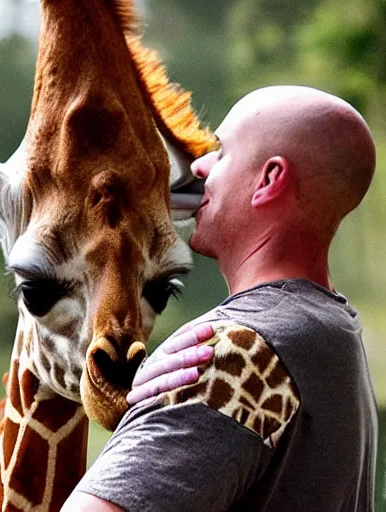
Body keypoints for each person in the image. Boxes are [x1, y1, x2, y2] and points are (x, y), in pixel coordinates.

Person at [62, 85, 378, 511]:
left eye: (222, 152)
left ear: (268, 180)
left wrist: (211, 365)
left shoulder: (236, 353)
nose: (200, 165)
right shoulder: (334, 331)